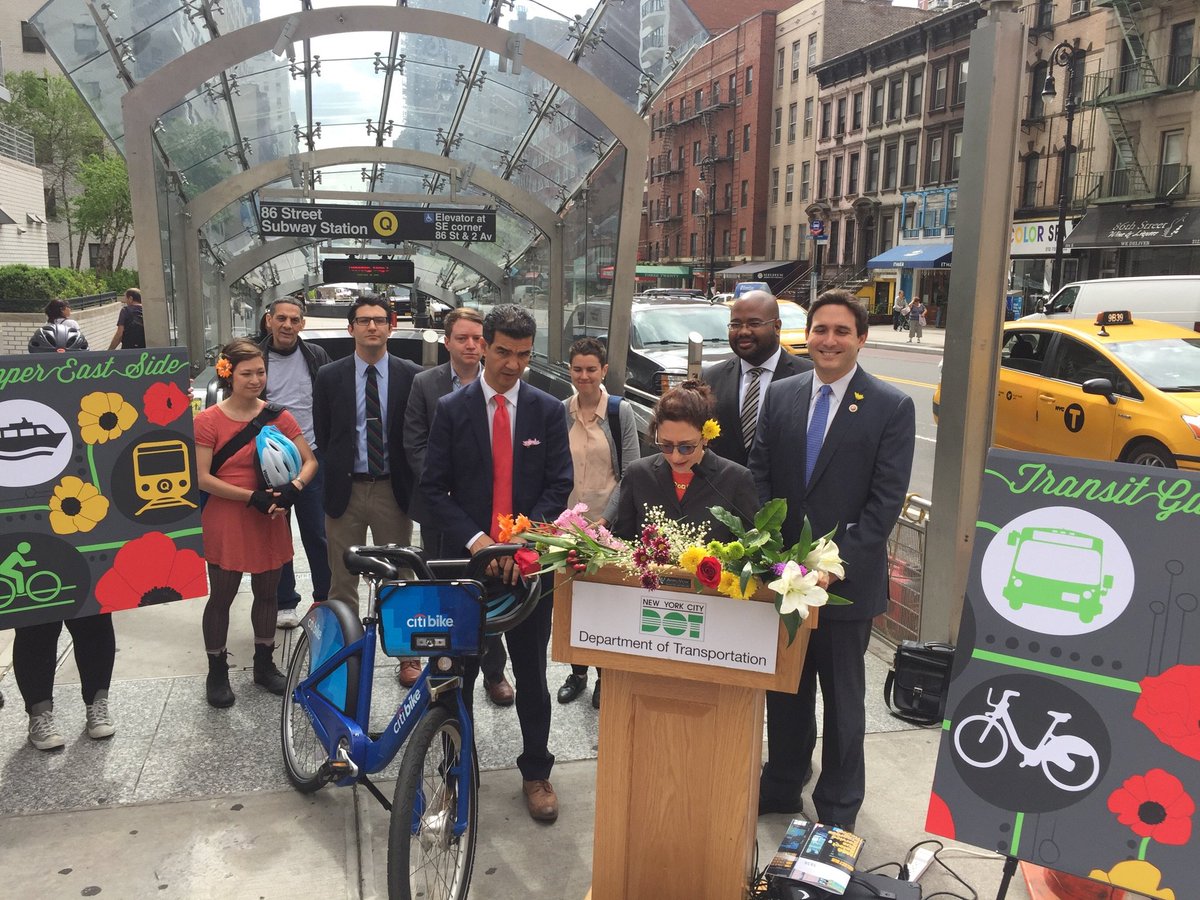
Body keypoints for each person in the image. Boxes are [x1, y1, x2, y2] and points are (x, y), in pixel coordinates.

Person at [751, 290, 915, 831]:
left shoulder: (891, 406)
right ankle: (782, 783)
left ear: (861, 338)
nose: (829, 340)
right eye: (820, 329)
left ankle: (839, 807)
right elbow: (760, 475)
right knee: (786, 692)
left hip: (845, 587)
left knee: (843, 703)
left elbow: (884, 504)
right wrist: (773, 555)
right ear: (808, 335)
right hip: (785, 580)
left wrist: (830, 565)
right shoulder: (782, 395)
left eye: (842, 331)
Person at [420, 304, 573, 823]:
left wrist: (523, 541)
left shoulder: (546, 410)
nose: (512, 365)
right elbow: (432, 490)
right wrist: (480, 541)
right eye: (504, 352)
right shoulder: (453, 409)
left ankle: (536, 771)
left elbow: (559, 483)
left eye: (523, 355)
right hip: (467, 563)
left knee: (532, 672)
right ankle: (453, 773)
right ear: (483, 345)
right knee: (456, 673)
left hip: (527, 564)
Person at [195, 338, 318, 708]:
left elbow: (310, 461)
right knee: (222, 595)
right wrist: (250, 496)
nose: (255, 380)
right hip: (228, 516)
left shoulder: (280, 415)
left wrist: (295, 488)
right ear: (228, 374)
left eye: (260, 372)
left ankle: (264, 664)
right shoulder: (208, 421)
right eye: (246, 373)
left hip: (271, 515)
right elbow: (202, 477)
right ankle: (217, 670)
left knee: (268, 593)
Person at [404, 307, 514, 704]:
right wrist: (445, 488)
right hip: (441, 512)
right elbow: (414, 442)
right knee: (446, 592)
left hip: (490, 512)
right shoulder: (425, 384)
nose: (470, 345)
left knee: (492, 590)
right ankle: (446, 670)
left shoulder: (503, 384)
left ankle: (494, 672)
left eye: (476, 338)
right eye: (462, 338)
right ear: (447, 342)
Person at [12, 324, 113, 749]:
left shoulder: (102, 400)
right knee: (35, 627)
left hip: (89, 527)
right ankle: (40, 715)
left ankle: (97, 705)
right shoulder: (12, 402)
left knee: (95, 621)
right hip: (31, 529)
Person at [313, 296, 420, 614]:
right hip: (345, 492)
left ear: (391, 327)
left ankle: (401, 643)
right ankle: (346, 641)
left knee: (399, 576)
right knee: (342, 579)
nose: (372, 326)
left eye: (379, 320)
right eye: (363, 320)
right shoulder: (329, 376)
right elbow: (324, 434)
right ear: (351, 329)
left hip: (392, 490)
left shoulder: (411, 375)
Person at [557, 337, 640, 710]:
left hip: (609, 526)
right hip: (569, 528)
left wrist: (605, 520)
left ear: (604, 370)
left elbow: (630, 474)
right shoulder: (561, 412)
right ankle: (578, 673)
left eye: (591, 369)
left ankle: (607, 675)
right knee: (573, 603)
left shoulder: (621, 413)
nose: (584, 376)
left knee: (607, 603)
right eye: (577, 369)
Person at [255, 295, 333, 630]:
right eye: (281, 318)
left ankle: (325, 598)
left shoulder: (316, 356)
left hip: (312, 456)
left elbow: (330, 398)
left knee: (319, 533)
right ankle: (285, 601)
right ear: (269, 320)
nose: (287, 325)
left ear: (302, 323)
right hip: (268, 462)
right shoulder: (254, 356)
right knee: (277, 534)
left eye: (294, 319)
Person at [612, 381, 759, 543]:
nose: (676, 457)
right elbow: (621, 541)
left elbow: (754, 546)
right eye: (666, 446)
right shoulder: (638, 474)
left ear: (705, 437)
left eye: (686, 447)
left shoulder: (735, 479)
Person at [703, 289, 812, 467]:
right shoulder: (711, 378)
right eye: (735, 324)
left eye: (754, 323)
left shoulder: (808, 377)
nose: (743, 331)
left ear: (777, 327)